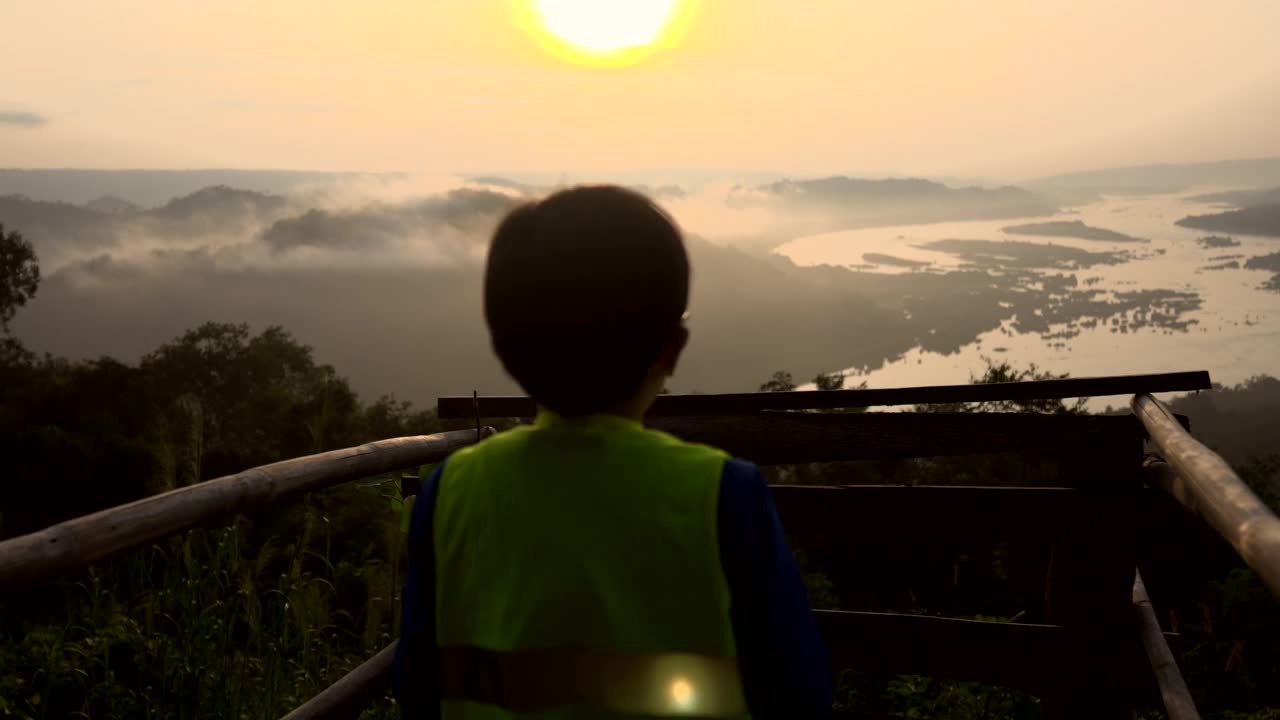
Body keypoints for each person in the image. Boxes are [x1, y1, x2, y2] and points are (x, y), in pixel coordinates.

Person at [395, 185, 831, 719]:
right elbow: (798, 691)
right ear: (671, 350)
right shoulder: (722, 496)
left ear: (506, 353)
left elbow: (417, 685)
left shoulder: (449, 492)